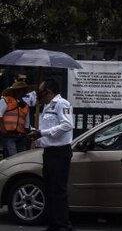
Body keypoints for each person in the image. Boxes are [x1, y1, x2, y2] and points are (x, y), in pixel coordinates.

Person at [27, 78, 73, 231]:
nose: (39, 93)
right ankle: (53, 224)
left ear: (49, 91)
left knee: (58, 191)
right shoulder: (47, 106)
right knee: (50, 189)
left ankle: (63, 226)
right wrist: (36, 133)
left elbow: (67, 124)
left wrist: (42, 132)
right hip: (49, 152)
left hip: (60, 153)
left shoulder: (62, 104)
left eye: (41, 90)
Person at [1, 80, 33, 158]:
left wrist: (25, 134)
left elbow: (27, 123)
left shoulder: (25, 105)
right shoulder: (5, 100)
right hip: (8, 134)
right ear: (16, 91)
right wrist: (3, 129)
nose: (24, 92)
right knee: (12, 157)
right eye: (22, 90)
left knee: (20, 158)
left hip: (21, 136)